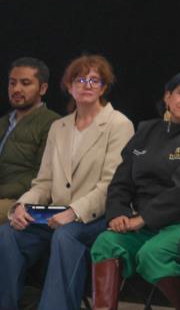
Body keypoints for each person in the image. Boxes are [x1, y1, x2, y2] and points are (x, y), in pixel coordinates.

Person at [0, 54, 134, 310]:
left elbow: (111, 185)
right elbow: (44, 183)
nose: (87, 85)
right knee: (8, 233)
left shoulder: (118, 124)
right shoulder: (59, 127)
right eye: (80, 79)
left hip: (97, 216)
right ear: (69, 86)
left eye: (95, 80)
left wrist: (74, 212)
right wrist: (21, 206)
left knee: (65, 236)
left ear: (103, 88)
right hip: (55, 215)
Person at [90, 70, 180, 310]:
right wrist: (118, 213)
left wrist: (143, 218)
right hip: (148, 225)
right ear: (167, 97)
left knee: (153, 254)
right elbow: (121, 182)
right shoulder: (145, 132)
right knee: (106, 243)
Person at [1, 58, 60, 222]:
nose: (16, 89)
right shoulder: (4, 121)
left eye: (25, 83)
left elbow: (40, 176)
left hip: (22, 199)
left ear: (43, 88)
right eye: (12, 83)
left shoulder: (52, 124)